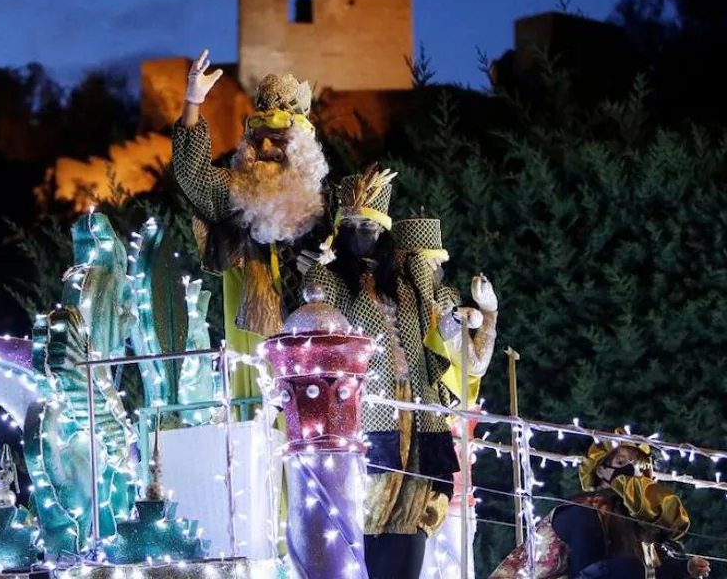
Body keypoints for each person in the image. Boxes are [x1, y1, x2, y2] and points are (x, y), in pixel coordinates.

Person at [303, 170, 466, 579]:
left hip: (419, 407)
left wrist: (461, 311)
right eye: (354, 226)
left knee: (416, 511)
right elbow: (319, 320)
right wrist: (317, 272)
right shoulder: (332, 277)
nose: (362, 233)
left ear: (384, 229)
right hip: (368, 409)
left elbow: (440, 303)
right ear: (341, 229)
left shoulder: (405, 282)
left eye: (370, 225)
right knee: (369, 513)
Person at [172, 50, 331, 402]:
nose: (267, 146)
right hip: (256, 345)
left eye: (278, 138)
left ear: (301, 147)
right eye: (258, 138)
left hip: (314, 348)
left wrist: (324, 268)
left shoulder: (326, 205)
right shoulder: (236, 193)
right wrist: (193, 102)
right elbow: (192, 175)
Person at [392, 216, 499, 579]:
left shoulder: (446, 301)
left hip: (446, 431)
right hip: (398, 436)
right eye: (429, 261)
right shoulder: (392, 303)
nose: (435, 269)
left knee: (453, 552)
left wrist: (488, 314)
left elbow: (477, 363)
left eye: (438, 263)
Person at [490, 436, 707, 579]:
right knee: (628, 568)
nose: (632, 471)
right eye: (622, 463)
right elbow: (590, 571)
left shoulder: (633, 519)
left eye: (639, 467)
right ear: (601, 470)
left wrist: (685, 567)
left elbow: (649, 569)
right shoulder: (583, 511)